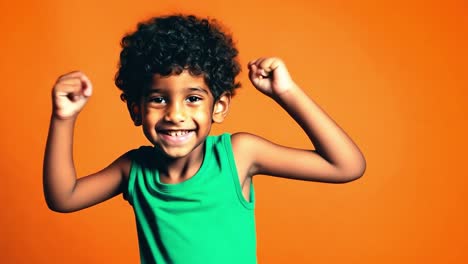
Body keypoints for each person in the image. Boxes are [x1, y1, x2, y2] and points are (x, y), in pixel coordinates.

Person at [43, 14, 366, 264]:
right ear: (136, 109)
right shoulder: (134, 169)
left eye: (193, 98)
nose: (175, 114)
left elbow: (345, 166)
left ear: (219, 107)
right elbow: (64, 198)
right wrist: (63, 118)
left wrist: (286, 92)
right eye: (159, 99)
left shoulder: (238, 155)